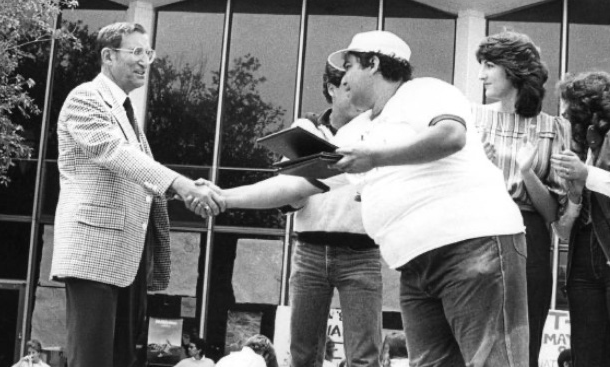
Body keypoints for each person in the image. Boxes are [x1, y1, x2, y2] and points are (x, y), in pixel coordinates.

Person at [326, 30, 528, 366]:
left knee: (494, 361)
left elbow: (450, 135)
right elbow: (300, 186)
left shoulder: (424, 92)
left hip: (473, 245)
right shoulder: (356, 132)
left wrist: (375, 157)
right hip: (414, 266)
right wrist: (224, 196)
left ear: (374, 63)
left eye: (349, 66)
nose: (342, 79)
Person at [50, 22, 225, 367]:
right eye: (137, 52)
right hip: (94, 257)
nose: (145, 61)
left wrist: (189, 190)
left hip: (129, 259)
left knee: (125, 360)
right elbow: (115, 153)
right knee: (93, 360)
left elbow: (142, 174)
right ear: (108, 55)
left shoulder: (128, 115)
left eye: (149, 53)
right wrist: (179, 183)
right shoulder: (85, 98)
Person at [219, 62, 382, 367]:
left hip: (362, 252)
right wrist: (306, 181)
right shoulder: (305, 131)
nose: (358, 96)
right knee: (304, 351)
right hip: (310, 249)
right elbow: (287, 194)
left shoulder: (376, 128)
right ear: (332, 90)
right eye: (348, 88)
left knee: (364, 353)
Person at [473, 31, 570, 367]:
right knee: (475, 340)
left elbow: (552, 214)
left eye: (489, 65)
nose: (481, 74)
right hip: (477, 230)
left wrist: (527, 173)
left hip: (531, 238)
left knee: (522, 344)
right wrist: (482, 168)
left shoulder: (553, 128)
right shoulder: (472, 118)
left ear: (513, 70)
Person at [550, 71, 610, 367]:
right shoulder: (575, 150)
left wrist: (587, 175)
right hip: (582, 260)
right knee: (586, 355)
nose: (562, 115)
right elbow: (562, 232)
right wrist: (574, 195)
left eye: (568, 109)